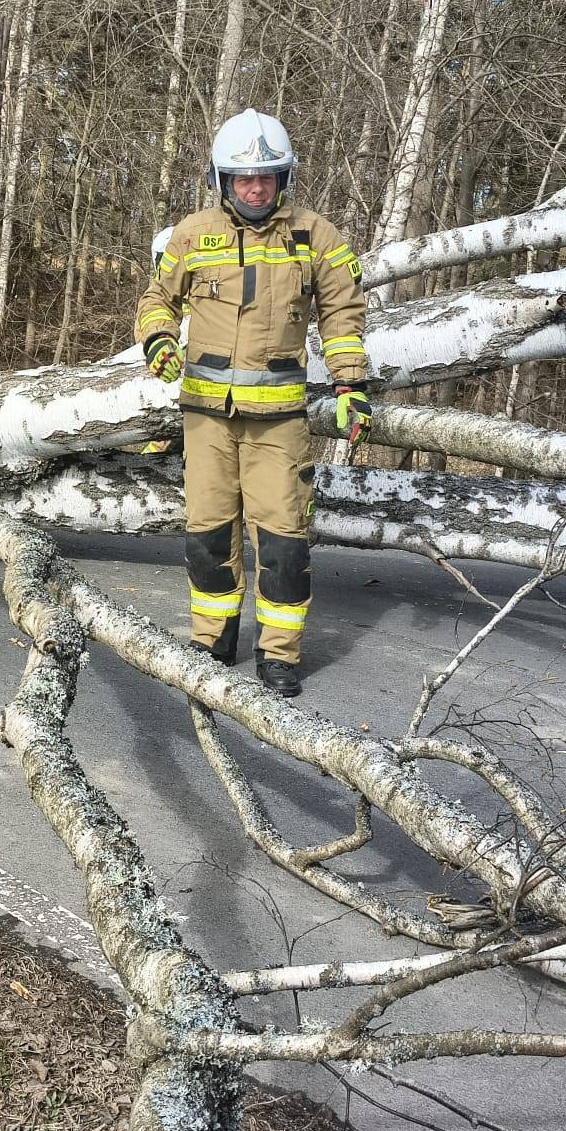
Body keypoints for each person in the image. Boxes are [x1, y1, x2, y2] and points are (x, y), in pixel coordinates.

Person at [133, 109, 371, 698]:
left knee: (284, 540)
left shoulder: (317, 237)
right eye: (244, 178)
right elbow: (155, 299)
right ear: (223, 181)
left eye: (266, 176)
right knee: (209, 535)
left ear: (283, 178)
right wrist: (159, 339)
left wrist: (350, 385)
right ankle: (212, 642)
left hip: (280, 423)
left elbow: (342, 317)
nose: (256, 187)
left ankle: (279, 654)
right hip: (207, 417)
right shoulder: (192, 234)